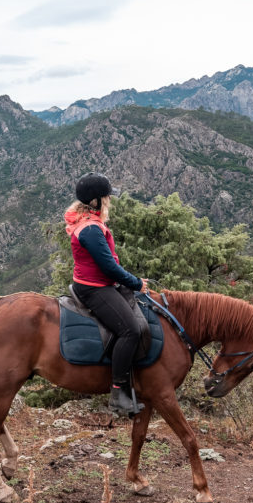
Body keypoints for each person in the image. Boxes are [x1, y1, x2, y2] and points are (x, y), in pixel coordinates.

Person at [65, 172, 148, 417]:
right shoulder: (90, 229)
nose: (109, 201)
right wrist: (135, 283)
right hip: (94, 288)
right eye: (106, 197)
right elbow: (109, 267)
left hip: (96, 282)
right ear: (95, 202)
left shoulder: (87, 220)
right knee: (130, 330)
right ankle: (118, 394)